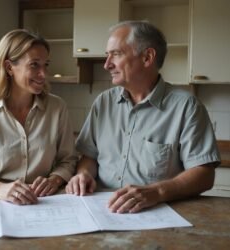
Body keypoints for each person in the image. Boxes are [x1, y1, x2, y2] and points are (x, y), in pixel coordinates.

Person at [66, 21, 220, 213]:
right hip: (102, 209)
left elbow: (204, 174)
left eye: (116, 54)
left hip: (158, 214)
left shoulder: (187, 107)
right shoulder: (103, 103)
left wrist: (156, 192)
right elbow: (89, 156)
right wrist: (84, 174)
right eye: (107, 55)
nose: (107, 65)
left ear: (147, 57)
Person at [0, 29, 78, 205]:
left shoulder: (57, 108)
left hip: (44, 203)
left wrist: (54, 180)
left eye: (45, 65)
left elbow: (68, 160)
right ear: (9, 67)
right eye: (34, 65)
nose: (43, 74)